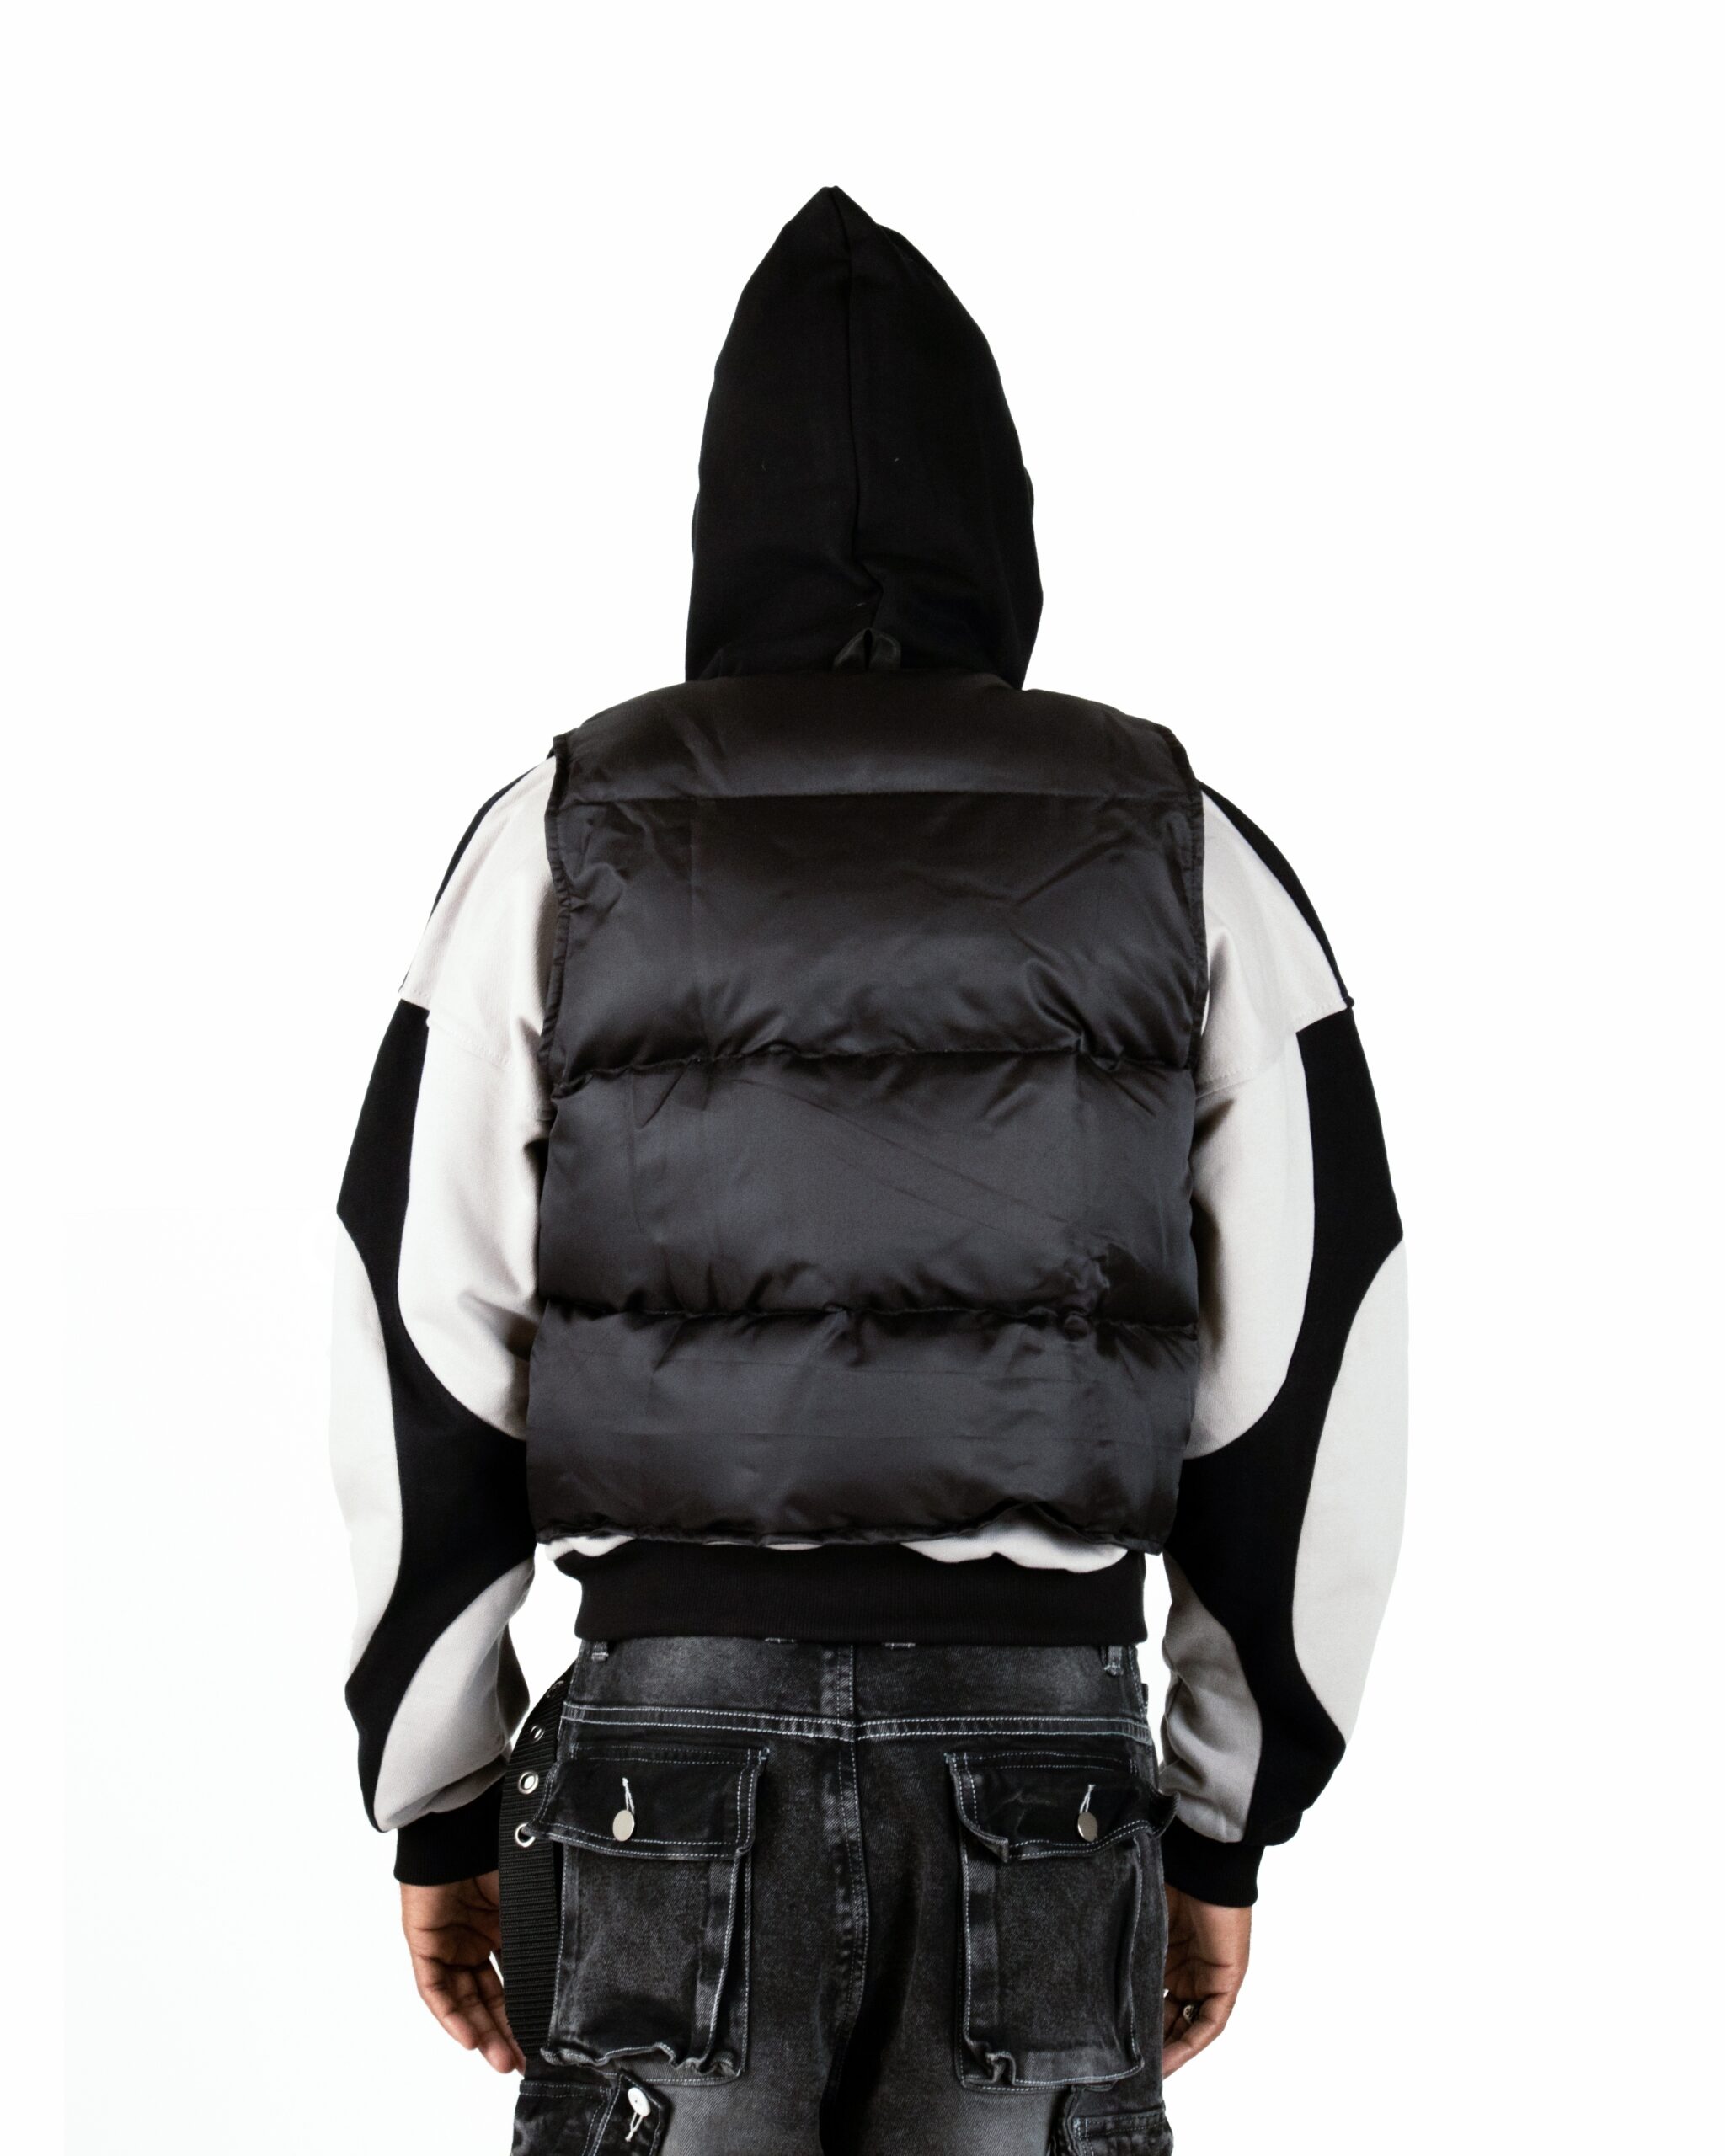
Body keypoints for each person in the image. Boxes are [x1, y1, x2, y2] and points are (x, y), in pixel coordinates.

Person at [330, 186, 1406, 2156]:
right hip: (1041, 1768)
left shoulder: (567, 824)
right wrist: (1224, 1816)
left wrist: (440, 1785)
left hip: (661, 1753)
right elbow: (1308, 1356)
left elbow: (422, 1318)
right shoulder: (1176, 838)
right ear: (1001, 519)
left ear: (717, 520)